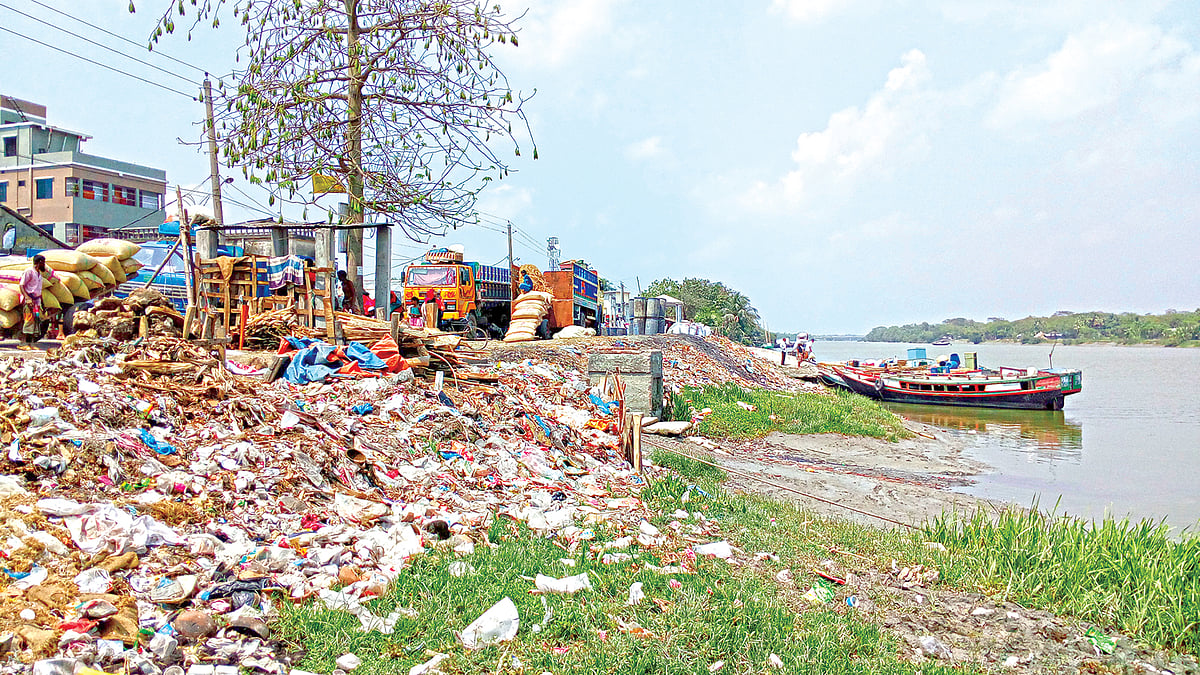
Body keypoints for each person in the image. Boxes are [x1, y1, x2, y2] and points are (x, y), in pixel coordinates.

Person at [18, 254, 55, 349]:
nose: (44, 265)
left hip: (36, 302)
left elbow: (39, 290)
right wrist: (27, 298)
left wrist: (42, 304)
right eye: (43, 263)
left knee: (36, 322)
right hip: (29, 301)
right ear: (39, 263)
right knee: (28, 321)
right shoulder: (29, 272)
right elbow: (22, 285)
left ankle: (31, 344)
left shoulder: (39, 274)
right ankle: (24, 343)